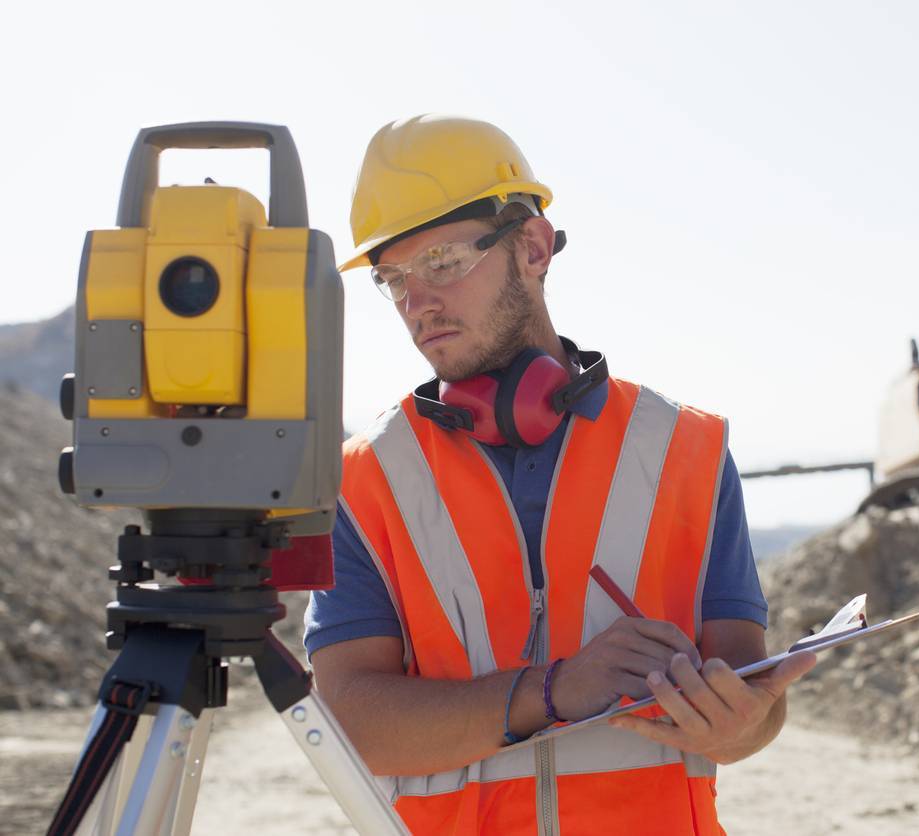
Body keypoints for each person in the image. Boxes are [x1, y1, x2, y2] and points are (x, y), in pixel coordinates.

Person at [305, 115, 815, 835]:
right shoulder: (365, 481)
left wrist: (735, 725)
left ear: (534, 248)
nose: (418, 304)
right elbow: (351, 723)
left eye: (444, 262)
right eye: (394, 279)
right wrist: (553, 690)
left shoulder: (687, 450)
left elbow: (752, 705)